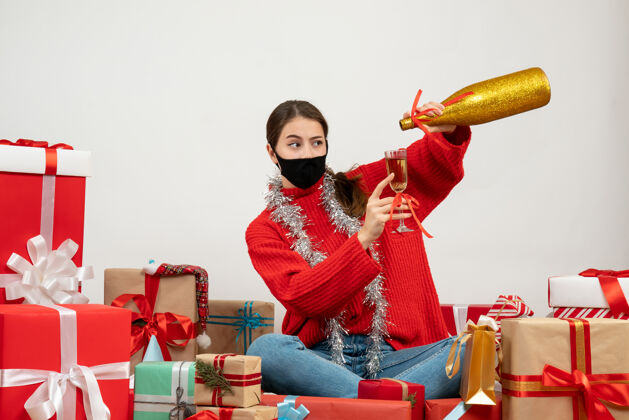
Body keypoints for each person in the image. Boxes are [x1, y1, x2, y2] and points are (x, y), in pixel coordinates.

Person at [245, 99, 471, 399]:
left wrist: (447, 131)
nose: (308, 154)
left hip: (396, 356)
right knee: (266, 350)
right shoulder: (264, 229)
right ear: (272, 152)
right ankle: (387, 405)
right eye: (294, 145)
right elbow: (304, 296)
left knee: (472, 348)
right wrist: (363, 238)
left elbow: (431, 167)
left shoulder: (367, 184)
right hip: (322, 362)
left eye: (316, 142)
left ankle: (366, 404)